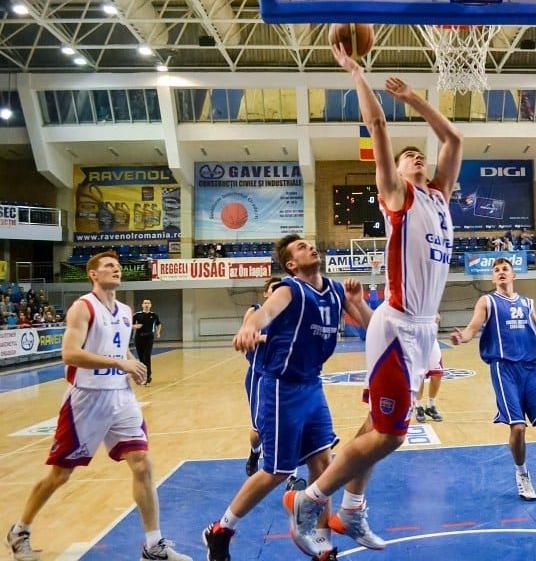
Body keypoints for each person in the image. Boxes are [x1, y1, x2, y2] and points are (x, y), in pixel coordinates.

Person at [283, 42, 463, 555]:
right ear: (398, 176)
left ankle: (352, 513)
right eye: (409, 158)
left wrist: (420, 101)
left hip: (424, 328)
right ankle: (310, 500)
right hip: (398, 324)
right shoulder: (398, 198)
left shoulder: (439, 197)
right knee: (391, 434)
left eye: (418, 155)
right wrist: (358, 75)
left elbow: (453, 136)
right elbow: (379, 129)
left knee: (373, 426)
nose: (416, 157)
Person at [5, 251, 191, 561]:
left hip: (120, 396)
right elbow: (70, 354)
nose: (116, 270)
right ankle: (20, 530)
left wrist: (133, 363)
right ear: (93, 274)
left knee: (142, 463)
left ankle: (153, 544)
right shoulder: (83, 307)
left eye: (118, 267)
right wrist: (120, 362)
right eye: (108, 266)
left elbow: (119, 348)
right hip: (86, 400)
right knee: (60, 475)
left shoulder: (125, 310)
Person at [202, 235, 373, 561]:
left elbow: (372, 326)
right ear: (291, 264)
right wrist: (249, 329)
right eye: (300, 247)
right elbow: (262, 314)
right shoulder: (289, 289)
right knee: (278, 471)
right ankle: (221, 530)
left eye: (311, 243)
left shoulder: (338, 290)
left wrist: (361, 302)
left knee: (323, 466)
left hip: (312, 385)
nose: (310, 246)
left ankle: (323, 548)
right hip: (281, 387)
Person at [451, 258, 536, 500]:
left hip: (530, 368)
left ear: (513, 275)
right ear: (493, 279)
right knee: (517, 428)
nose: (501, 273)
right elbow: (473, 327)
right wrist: (462, 337)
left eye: (505, 269)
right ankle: (522, 475)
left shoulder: (527, 303)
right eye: (496, 271)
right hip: (504, 369)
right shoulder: (487, 301)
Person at [244, 276, 309, 491]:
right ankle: (255, 453)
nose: (278, 293)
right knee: (258, 431)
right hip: (260, 376)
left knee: (291, 425)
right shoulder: (254, 312)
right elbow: (247, 336)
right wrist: (266, 338)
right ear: (265, 293)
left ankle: (292, 477)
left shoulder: (290, 315)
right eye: (274, 289)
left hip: (285, 376)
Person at [414, 315, 444, 423]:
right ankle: (418, 406)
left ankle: (431, 406)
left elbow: (437, 317)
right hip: (415, 343)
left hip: (431, 341)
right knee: (419, 376)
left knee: (437, 375)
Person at [132, 299, 162, 384]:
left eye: (148, 303)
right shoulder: (137, 315)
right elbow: (130, 325)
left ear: (150, 305)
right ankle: (142, 376)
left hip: (149, 337)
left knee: (147, 357)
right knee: (141, 358)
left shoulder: (154, 315)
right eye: (145, 303)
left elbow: (158, 324)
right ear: (142, 305)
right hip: (139, 338)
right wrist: (135, 326)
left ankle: (147, 375)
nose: (146, 304)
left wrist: (158, 332)